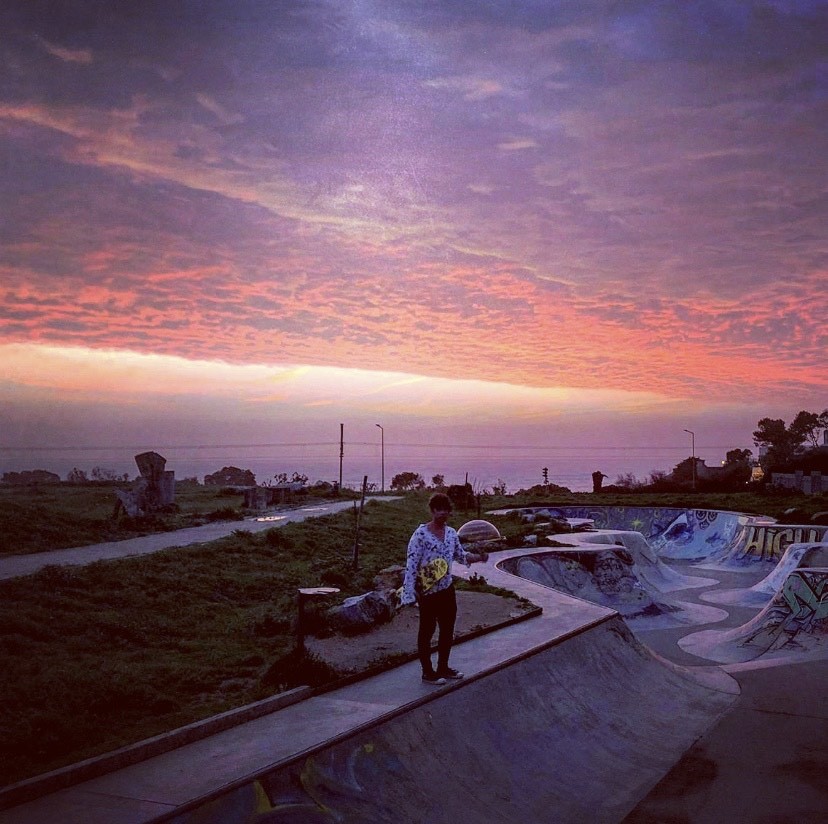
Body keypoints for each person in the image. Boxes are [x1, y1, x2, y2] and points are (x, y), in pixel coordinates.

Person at [401, 492, 488, 685]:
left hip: (447, 589)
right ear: (432, 511)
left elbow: (461, 555)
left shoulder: (451, 534)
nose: (442, 513)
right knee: (427, 631)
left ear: (449, 511)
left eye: (445, 509)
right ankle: (427, 672)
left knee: (447, 630)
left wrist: (480, 557)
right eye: (438, 509)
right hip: (428, 592)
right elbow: (411, 564)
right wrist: (409, 592)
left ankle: (443, 667)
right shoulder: (420, 535)